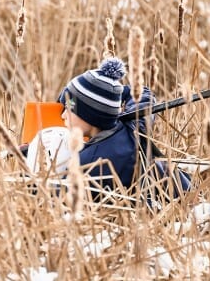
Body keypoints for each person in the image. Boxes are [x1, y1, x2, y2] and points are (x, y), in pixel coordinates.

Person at [56, 57, 192, 205]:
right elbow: (142, 94)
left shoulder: (92, 162)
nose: (63, 115)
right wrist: (111, 94)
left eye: (69, 108)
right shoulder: (134, 127)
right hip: (189, 193)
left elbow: (58, 197)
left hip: (175, 214)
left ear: (90, 115)